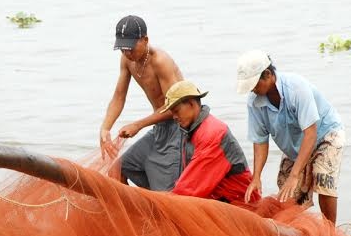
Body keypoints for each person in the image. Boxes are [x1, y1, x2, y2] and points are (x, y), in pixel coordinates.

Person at [236, 50, 345, 223]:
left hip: (325, 134)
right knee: (286, 197)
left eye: (255, 84)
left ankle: (330, 234)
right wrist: (256, 176)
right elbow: (260, 141)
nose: (253, 90)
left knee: (323, 181)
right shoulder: (254, 102)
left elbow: (310, 133)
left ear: (268, 74)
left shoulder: (296, 88)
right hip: (295, 146)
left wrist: (295, 175)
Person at [99, 15, 185, 191]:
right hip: (159, 128)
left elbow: (175, 107)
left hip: (179, 127)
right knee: (118, 168)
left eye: (130, 48)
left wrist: (138, 125)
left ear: (145, 40)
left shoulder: (160, 62)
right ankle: (135, 214)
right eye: (122, 49)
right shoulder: (127, 60)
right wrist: (105, 128)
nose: (127, 53)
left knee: (166, 194)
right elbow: (119, 96)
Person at [158, 80, 258, 204]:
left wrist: (162, 202)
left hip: (237, 202)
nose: (174, 117)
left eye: (176, 111)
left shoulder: (212, 133)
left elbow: (190, 189)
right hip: (216, 199)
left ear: (191, 104)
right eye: (172, 113)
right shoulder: (190, 130)